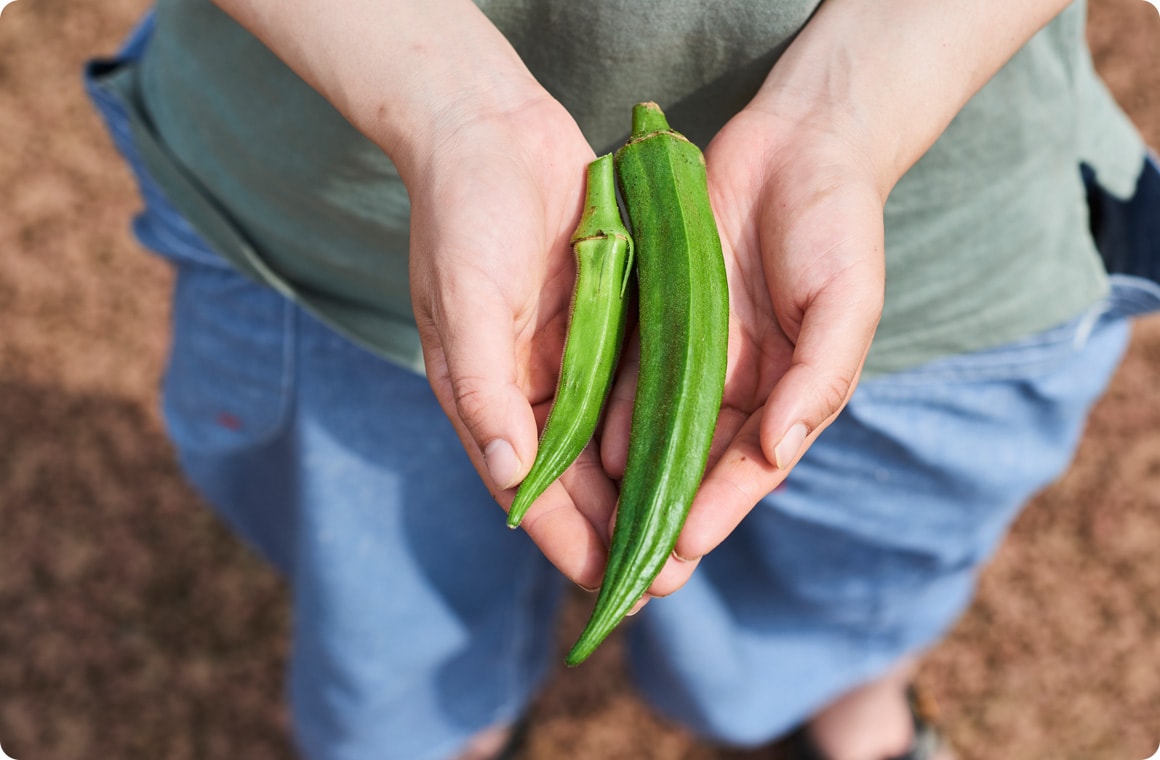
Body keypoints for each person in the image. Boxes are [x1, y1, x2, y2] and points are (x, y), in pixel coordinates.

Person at [83, 1, 1159, 758]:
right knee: (386, 599)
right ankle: (447, 733)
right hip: (329, 221)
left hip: (945, 237)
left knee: (856, 580)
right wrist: (442, 103)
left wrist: (852, 109)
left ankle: (842, 705)